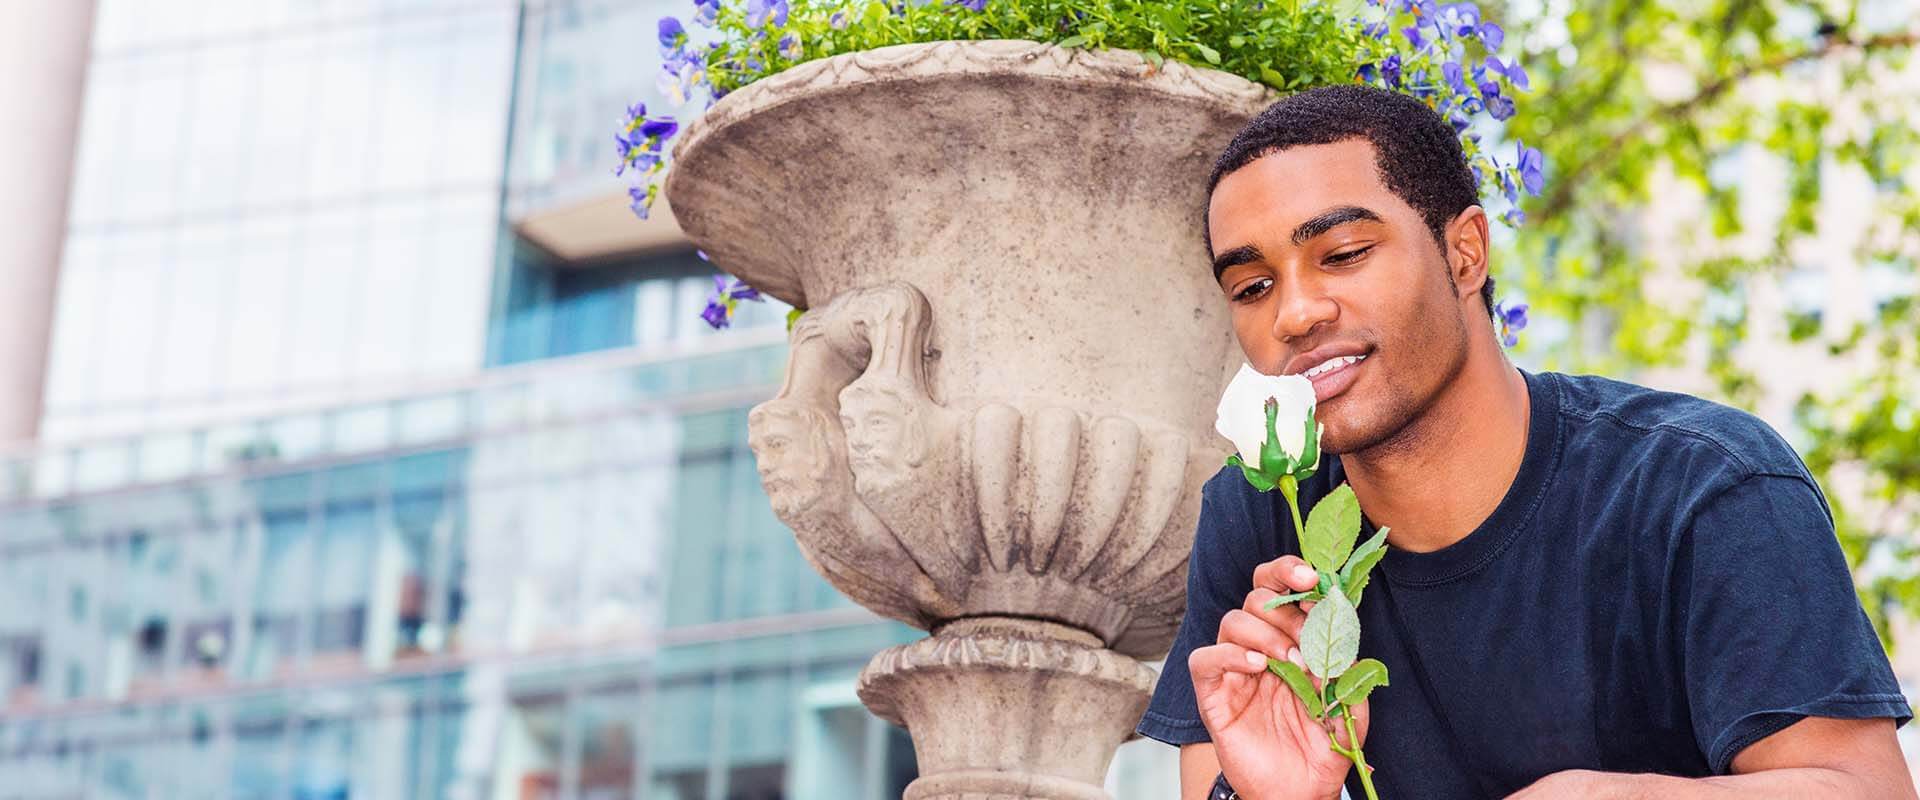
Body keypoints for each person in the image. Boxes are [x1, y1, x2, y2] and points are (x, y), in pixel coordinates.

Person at [1137, 84, 1915, 799]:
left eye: (1342, 255)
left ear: (1465, 253)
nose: (1295, 314)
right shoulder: (1267, 518)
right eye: (1252, 287)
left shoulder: (1703, 487)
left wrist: (1604, 798)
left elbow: (1865, 789)